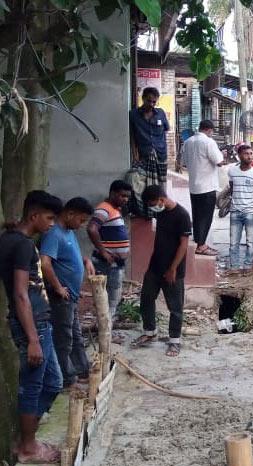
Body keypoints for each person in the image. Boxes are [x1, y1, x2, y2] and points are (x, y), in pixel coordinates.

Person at [0, 190, 64, 463]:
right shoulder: (23, 245)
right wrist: (33, 339)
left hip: (37, 322)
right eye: (48, 218)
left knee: (54, 382)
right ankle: (27, 447)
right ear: (34, 216)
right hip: (32, 325)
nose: (51, 224)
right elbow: (20, 293)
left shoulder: (12, 239)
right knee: (33, 384)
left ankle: (28, 438)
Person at [39, 197, 95, 392]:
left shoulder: (68, 232)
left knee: (75, 335)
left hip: (70, 297)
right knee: (63, 338)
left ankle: (82, 370)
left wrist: (85, 260)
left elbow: (68, 255)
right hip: (60, 298)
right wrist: (58, 287)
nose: (81, 226)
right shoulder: (54, 234)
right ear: (70, 214)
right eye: (81, 220)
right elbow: (45, 263)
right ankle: (67, 380)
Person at [132, 185, 192, 357]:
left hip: (173, 269)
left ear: (161, 199)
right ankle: (150, 332)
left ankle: (174, 341)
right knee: (146, 299)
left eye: (153, 203)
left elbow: (183, 245)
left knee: (175, 306)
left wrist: (172, 268)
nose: (152, 207)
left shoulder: (182, 216)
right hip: (155, 266)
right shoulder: (161, 212)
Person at [87, 180, 132, 333]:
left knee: (111, 298)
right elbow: (92, 229)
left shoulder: (114, 209)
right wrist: (103, 251)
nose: (125, 199)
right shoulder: (104, 209)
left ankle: (105, 328)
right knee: (109, 298)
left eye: (127, 197)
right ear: (112, 193)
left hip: (115, 263)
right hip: (107, 263)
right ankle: (105, 330)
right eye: (122, 196)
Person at [182, 119, 224, 256]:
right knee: (206, 217)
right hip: (207, 187)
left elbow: (184, 163)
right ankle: (201, 245)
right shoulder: (208, 142)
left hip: (194, 185)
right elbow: (219, 162)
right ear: (209, 130)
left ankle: (199, 240)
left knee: (197, 215)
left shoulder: (187, 142)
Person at [228, 145, 253, 272]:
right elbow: (232, 188)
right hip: (235, 211)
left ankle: (248, 266)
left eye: (250, 154)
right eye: (246, 154)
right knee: (233, 242)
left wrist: (249, 202)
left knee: (250, 242)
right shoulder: (232, 171)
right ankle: (234, 267)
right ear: (239, 155)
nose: (249, 156)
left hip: (250, 212)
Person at [130, 87, 170, 170]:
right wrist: (134, 155)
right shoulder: (133, 115)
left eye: (154, 102)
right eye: (149, 101)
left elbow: (166, 129)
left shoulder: (161, 113)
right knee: (144, 182)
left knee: (161, 183)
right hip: (144, 157)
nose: (151, 104)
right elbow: (132, 136)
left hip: (160, 156)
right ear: (143, 98)